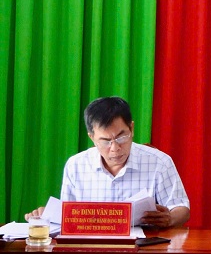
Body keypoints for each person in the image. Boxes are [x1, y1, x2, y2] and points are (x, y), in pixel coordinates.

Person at [25, 96, 190, 228]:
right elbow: (68, 217)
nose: (115, 148)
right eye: (105, 141)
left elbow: (182, 208)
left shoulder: (159, 162)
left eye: (121, 137)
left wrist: (169, 218)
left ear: (132, 129)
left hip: (144, 245)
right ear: (92, 137)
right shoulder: (76, 165)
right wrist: (48, 216)